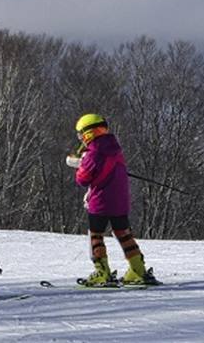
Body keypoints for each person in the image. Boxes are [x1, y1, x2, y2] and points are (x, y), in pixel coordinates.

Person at [66, 113, 156, 287]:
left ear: (88, 133)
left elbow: (83, 179)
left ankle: (102, 272)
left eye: (80, 134)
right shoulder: (115, 148)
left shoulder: (93, 153)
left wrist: (80, 165)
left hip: (100, 202)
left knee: (96, 236)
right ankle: (138, 269)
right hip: (120, 201)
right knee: (123, 233)